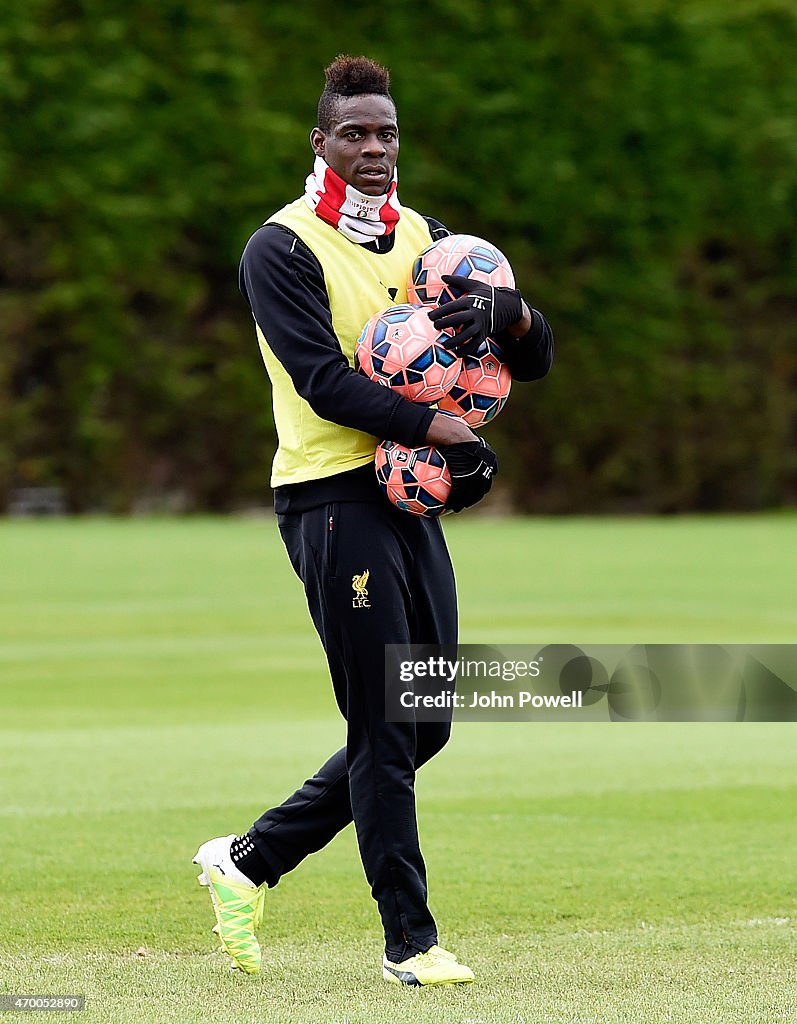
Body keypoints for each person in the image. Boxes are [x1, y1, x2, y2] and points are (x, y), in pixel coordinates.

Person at [193, 54, 553, 987]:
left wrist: (510, 316)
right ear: (319, 142)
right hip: (326, 499)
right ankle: (409, 942)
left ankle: (246, 861)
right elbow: (323, 381)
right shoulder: (278, 246)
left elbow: (532, 357)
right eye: (352, 132)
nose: (372, 148)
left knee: (426, 718)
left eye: (385, 132)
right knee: (386, 724)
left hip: (406, 497)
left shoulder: (430, 242)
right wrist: (445, 426)